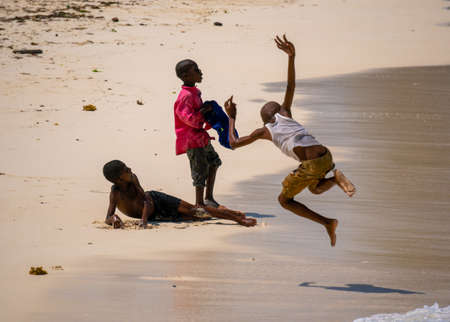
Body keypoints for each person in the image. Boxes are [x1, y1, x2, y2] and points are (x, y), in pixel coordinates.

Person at [223, 35, 355, 246]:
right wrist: (291, 57)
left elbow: (233, 143)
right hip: (325, 156)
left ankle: (328, 218)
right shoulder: (286, 114)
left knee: (284, 200)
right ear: (280, 111)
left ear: (265, 119)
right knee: (315, 188)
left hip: (311, 165)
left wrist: (231, 116)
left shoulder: (264, 131)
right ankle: (334, 186)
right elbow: (290, 86)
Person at [102, 160, 257, 228]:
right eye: (126, 170)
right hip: (156, 215)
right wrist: (114, 219)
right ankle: (226, 212)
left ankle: (238, 219)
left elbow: (146, 201)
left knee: (196, 211)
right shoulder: (115, 193)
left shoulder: (133, 179)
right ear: (118, 179)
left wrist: (143, 220)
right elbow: (108, 217)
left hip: (157, 200)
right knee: (196, 218)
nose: (130, 169)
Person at [174, 59, 221, 208]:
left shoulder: (194, 92)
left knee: (214, 162)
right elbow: (187, 117)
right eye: (196, 70)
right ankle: (199, 204)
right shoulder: (185, 96)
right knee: (199, 170)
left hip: (200, 137)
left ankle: (209, 197)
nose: (200, 72)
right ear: (186, 75)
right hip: (192, 140)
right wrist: (202, 113)